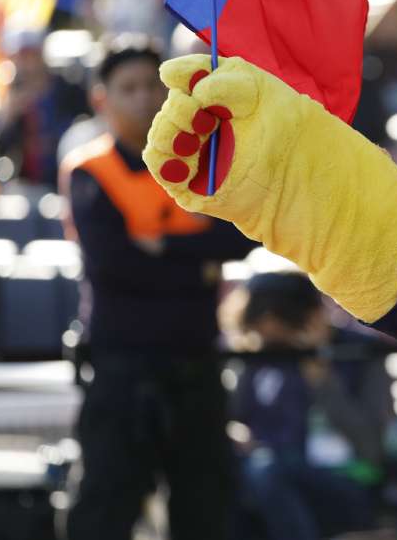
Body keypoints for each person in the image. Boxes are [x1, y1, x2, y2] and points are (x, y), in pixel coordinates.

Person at [59, 38, 257, 540]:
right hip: (123, 368)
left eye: (153, 85)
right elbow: (116, 265)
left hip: (196, 364)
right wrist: (198, 263)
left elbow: (239, 237)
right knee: (105, 506)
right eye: (128, 88)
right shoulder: (91, 171)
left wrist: (161, 246)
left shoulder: (204, 163)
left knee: (205, 508)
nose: (144, 97)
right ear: (101, 98)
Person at [223, 272, 378, 540]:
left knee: (266, 473)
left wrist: (321, 376)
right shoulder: (260, 356)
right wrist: (237, 434)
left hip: (341, 475)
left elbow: (371, 445)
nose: (265, 337)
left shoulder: (358, 353)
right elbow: (237, 416)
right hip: (266, 469)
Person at [0, 28, 89, 187]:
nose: (22, 62)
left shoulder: (69, 89)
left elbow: (85, 129)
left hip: (67, 179)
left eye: (28, 55)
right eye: (16, 57)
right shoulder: (11, 94)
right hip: (28, 185)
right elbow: (3, 147)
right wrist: (9, 116)